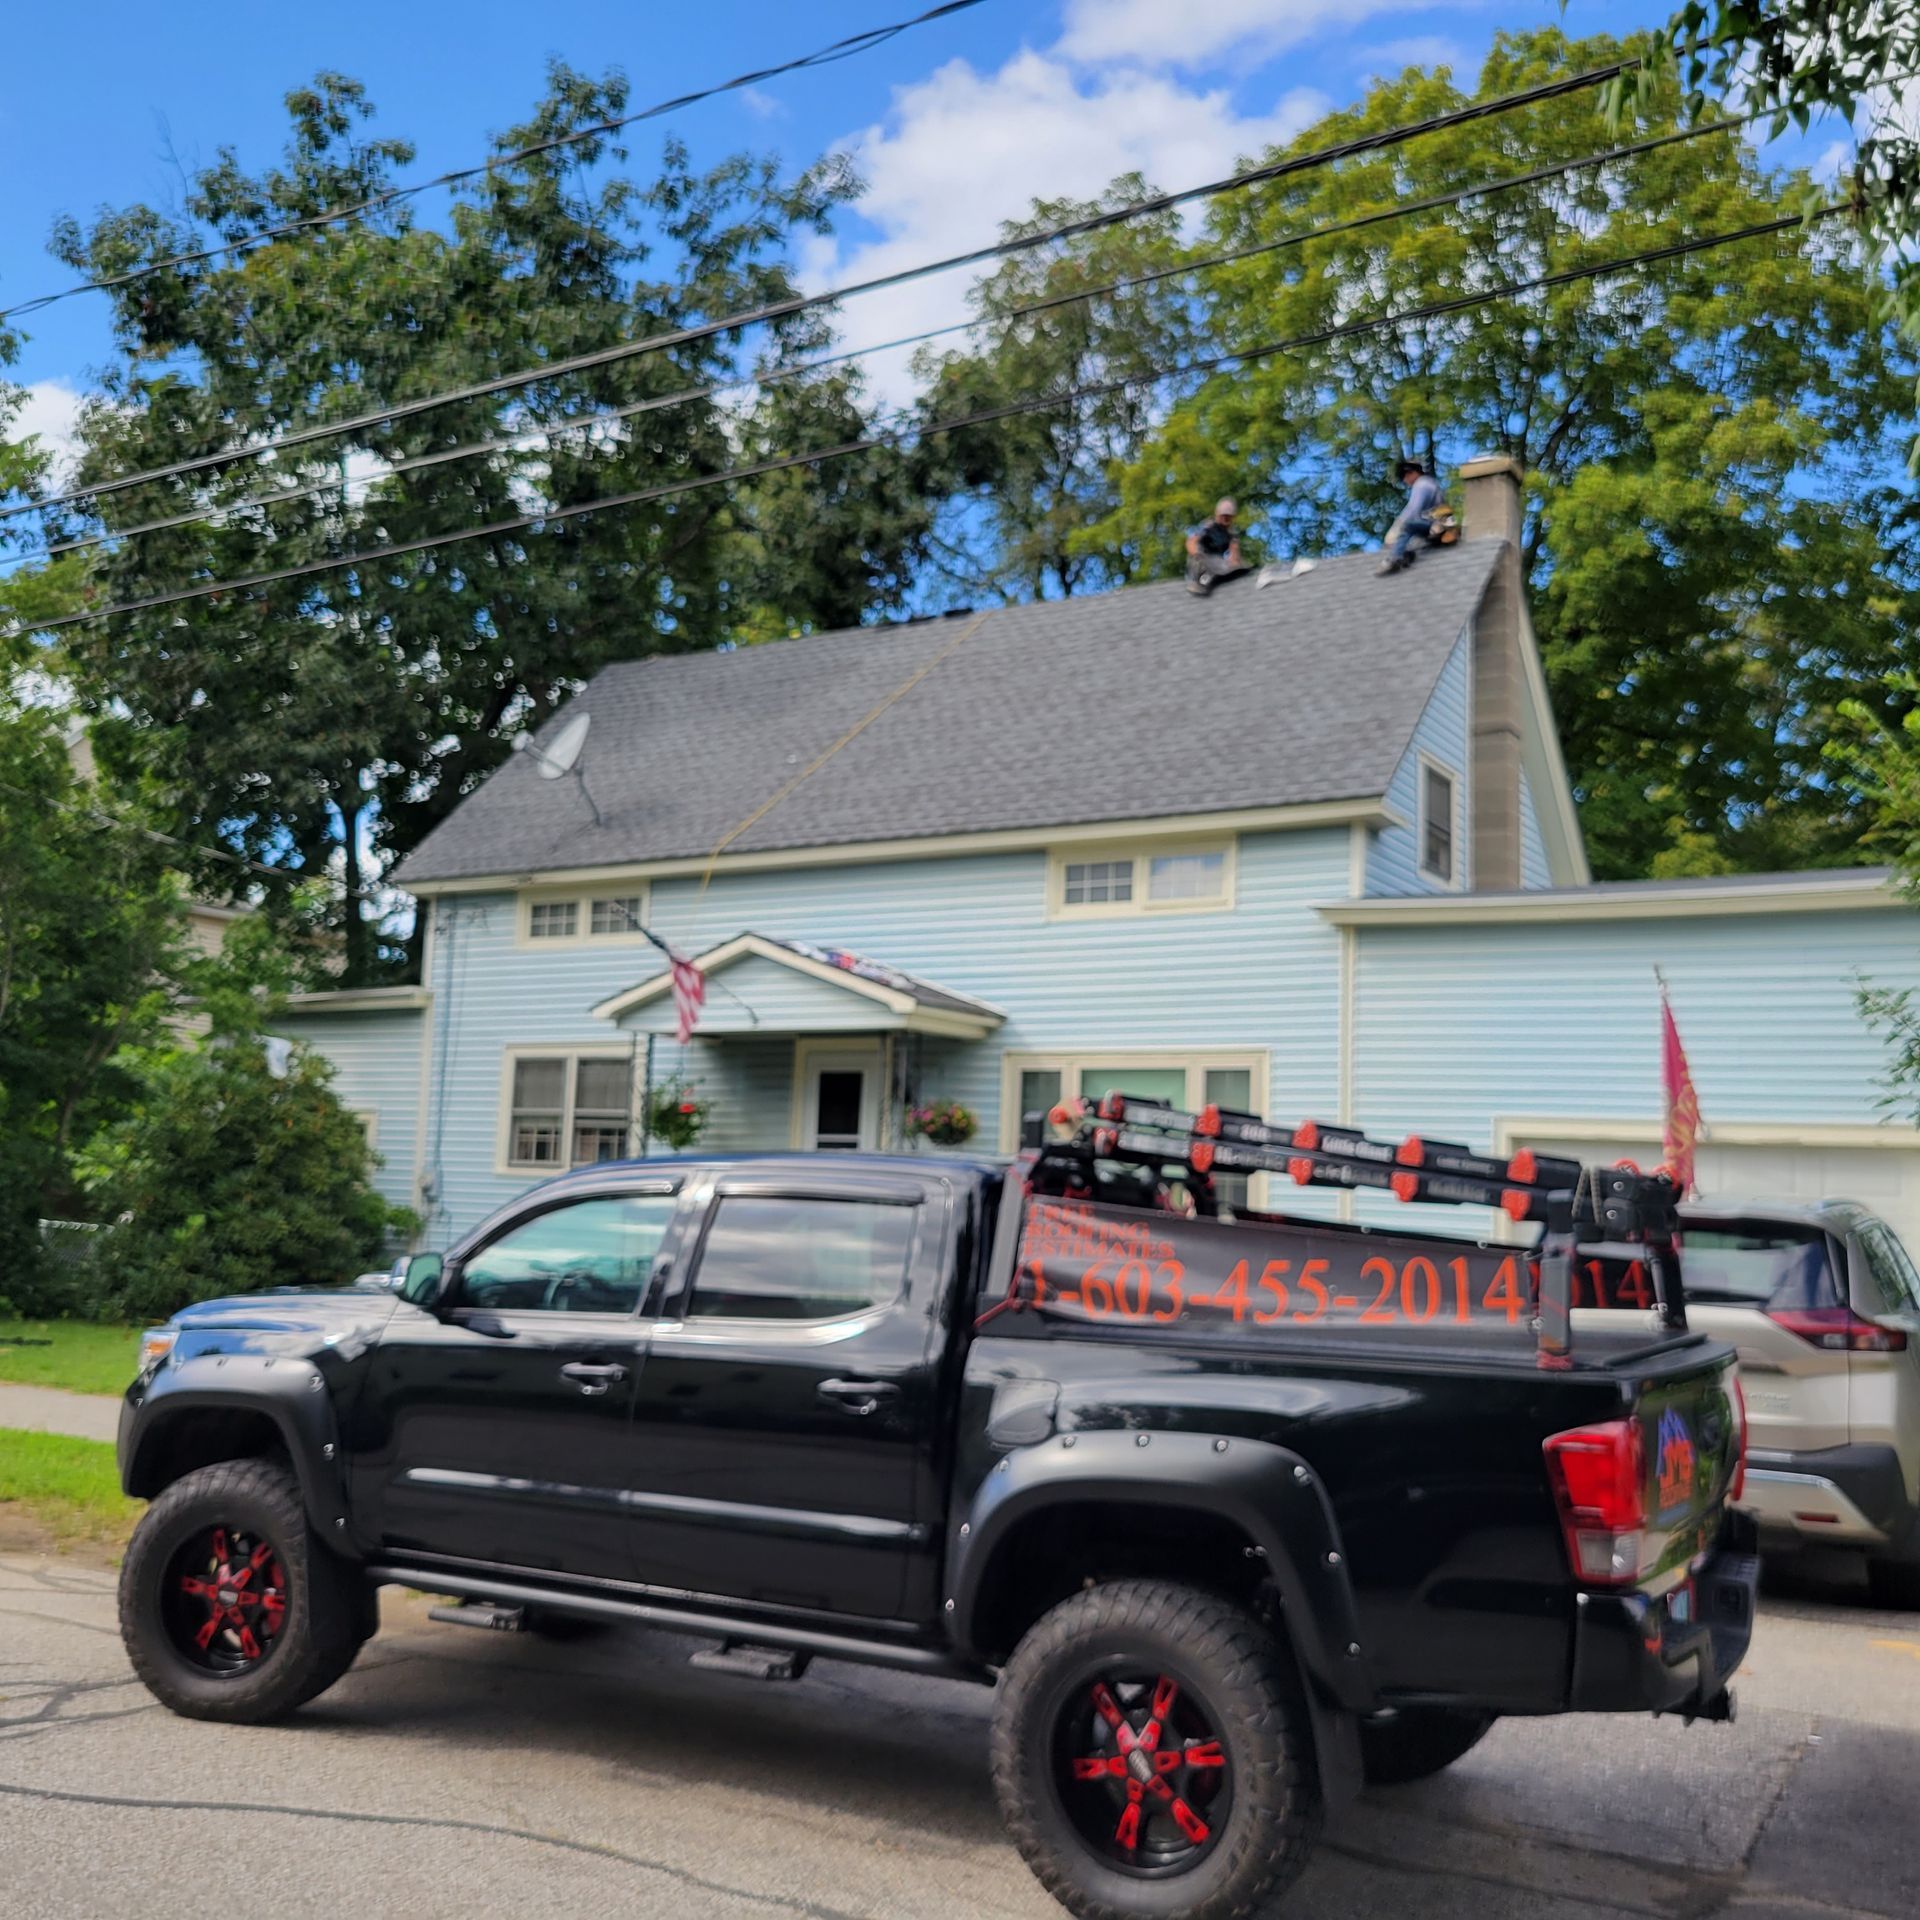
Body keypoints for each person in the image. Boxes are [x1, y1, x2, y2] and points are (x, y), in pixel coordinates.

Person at [1378, 459, 1442, 574]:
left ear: (1411, 473)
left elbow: (1414, 510)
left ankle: (1395, 558)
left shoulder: (1422, 485)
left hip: (1436, 526)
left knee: (1407, 527)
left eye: (1405, 476)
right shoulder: (1428, 483)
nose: (1405, 480)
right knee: (1407, 531)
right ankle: (1406, 553)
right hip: (1433, 525)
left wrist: (1397, 527)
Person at [1185, 498, 1243, 595]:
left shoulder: (1231, 534)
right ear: (1218, 515)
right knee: (1200, 560)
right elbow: (1191, 541)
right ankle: (1197, 583)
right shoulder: (1208, 527)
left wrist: (1235, 569)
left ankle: (1217, 583)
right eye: (1224, 516)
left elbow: (1234, 555)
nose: (1226, 519)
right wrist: (1197, 555)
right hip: (1201, 559)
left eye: (1229, 516)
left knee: (1233, 568)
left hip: (1216, 561)